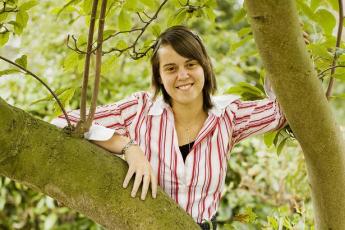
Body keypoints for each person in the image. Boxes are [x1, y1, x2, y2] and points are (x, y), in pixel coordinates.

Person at [52, 25, 285, 229]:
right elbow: (61, 122)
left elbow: (281, 112)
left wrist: (287, 59)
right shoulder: (139, 111)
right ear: (160, 76)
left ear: (204, 67)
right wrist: (128, 147)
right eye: (171, 68)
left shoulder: (229, 116)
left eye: (190, 64)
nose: (183, 75)